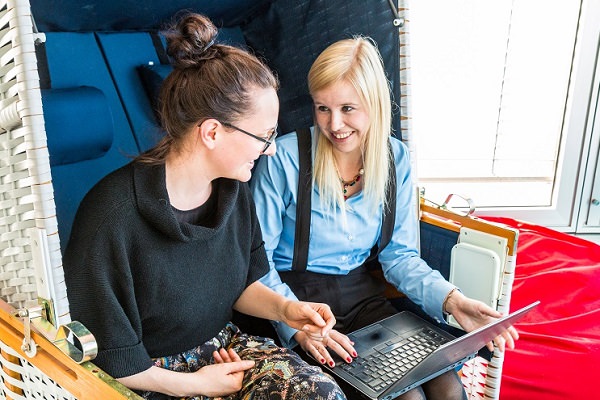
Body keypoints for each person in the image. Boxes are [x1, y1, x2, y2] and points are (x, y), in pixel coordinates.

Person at [62, 13, 347, 400]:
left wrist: (285, 310)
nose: (272, 148)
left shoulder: (234, 190)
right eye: (264, 135)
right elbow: (110, 359)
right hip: (148, 376)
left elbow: (241, 283)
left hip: (221, 348)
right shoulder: (111, 215)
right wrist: (197, 384)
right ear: (212, 132)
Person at [250, 36, 520, 400]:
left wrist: (452, 301)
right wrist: (293, 324)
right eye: (322, 108)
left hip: (362, 296)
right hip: (292, 298)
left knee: (447, 387)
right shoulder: (283, 159)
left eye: (348, 108)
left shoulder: (396, 159)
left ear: (375, 105)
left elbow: (400, 258)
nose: (334, 124)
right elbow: (256, 262)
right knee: (404, 397)